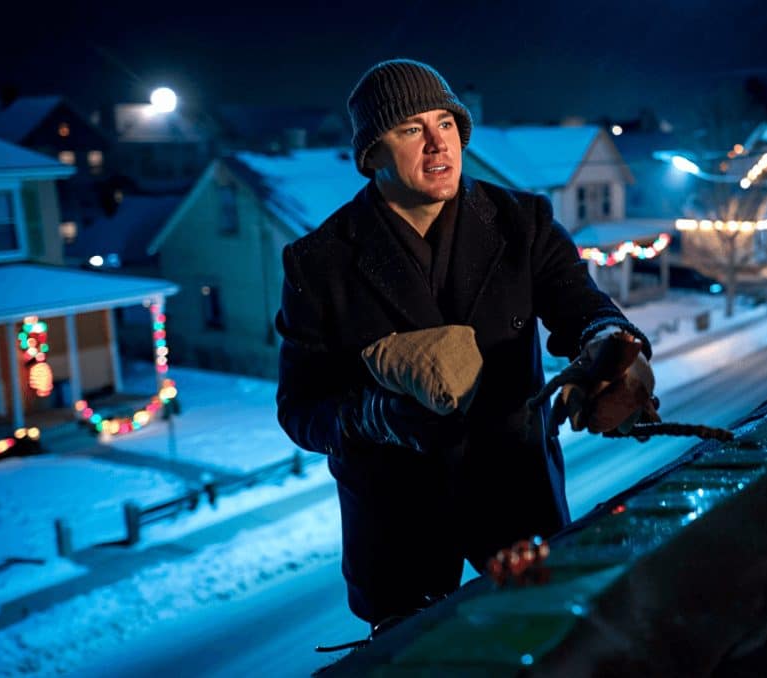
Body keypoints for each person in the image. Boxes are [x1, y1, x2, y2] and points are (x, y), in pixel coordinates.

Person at [274, 58, 657, 634]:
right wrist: (377, 416)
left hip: (516, 500)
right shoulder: (319, 262)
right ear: (371, 154)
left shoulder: (522, 222)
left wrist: (608, 350)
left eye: (446, 124)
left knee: (542, 645)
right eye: (411, 129)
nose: (438, 144)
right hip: (396, 525)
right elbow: (301, 407)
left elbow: (583, 305)